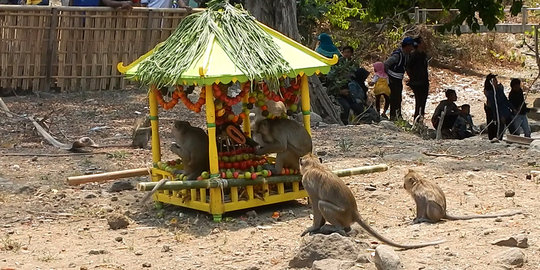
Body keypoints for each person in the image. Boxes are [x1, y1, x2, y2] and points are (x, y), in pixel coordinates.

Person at [384, 37, 415, 120]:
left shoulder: (407, 55)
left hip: (398, 79)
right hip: (392, 79)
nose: (412, 48)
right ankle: (394, 117)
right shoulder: (397, 55)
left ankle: (397, 115)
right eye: (411, 46)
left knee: (398, 98)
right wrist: (386, 77)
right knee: (394, 98)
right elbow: (386, 64)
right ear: (407, 46)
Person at [407, 36, 430, 122]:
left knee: (423, 102)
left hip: (424, 81)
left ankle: (420, 120)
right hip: (417, 82)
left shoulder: (423, 55)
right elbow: (408, 67)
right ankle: (417, 121)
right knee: (419, 102)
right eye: (422, 42)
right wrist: (413, 77)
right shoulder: (414, 55)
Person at [484, 74, 513, 141]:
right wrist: (500, 116)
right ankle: (496, 139)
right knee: (496, 127)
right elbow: (495, 106)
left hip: (504, 111)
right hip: (493, 112)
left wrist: (512, 108)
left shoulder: (499, 89)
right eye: (494, 81)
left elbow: (504, 100)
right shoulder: (490, 93)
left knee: (509, 126)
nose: (496, 82)